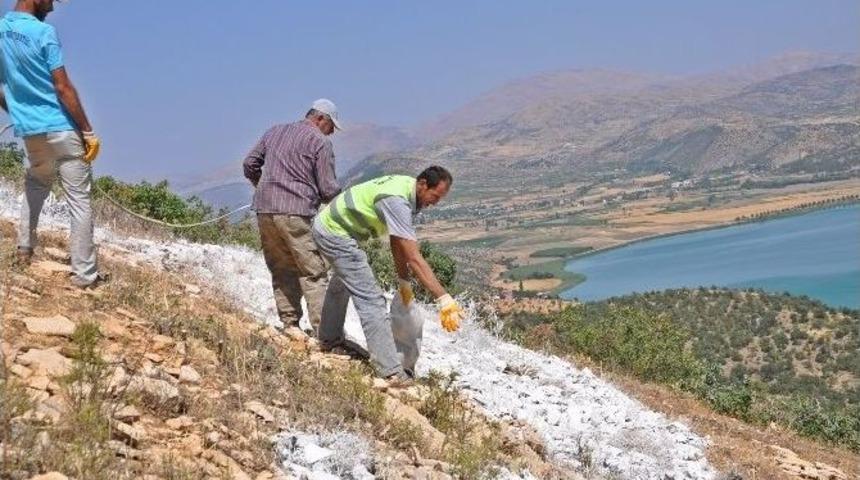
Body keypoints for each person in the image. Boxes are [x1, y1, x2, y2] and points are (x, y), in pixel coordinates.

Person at [312, 166, 463, 383]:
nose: (435, 203)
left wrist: (404, 282)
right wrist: (443, 297)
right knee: (372, 300)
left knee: (343, 282)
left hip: (332, 227)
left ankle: (329, 339)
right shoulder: (398, 201)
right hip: (335, 232)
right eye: (435, 196)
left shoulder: (408, 191)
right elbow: (413, 257)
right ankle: (391, 371)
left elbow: (397, 242)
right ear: (422, 184)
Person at [0, 0, 104, 288]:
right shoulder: (44, 33)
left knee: (35, 183)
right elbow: (62, 86)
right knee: (79, 201)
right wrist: (88, 131)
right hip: (61, 128)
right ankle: (84, 276)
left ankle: (24, 250)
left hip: (31, 131)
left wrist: (18, 112)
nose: (54, 6)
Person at [243, 99, 342, 337]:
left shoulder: (275, 131)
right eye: (332, 127)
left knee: (281, 267)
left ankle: (290, 324)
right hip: (297, 212)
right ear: (321, 119)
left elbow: (249, 164)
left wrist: (261, 186)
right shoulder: (320, 142)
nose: (332, 133)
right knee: (313, 272)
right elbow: (328, 188)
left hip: (265, 210)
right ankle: (324, 333)